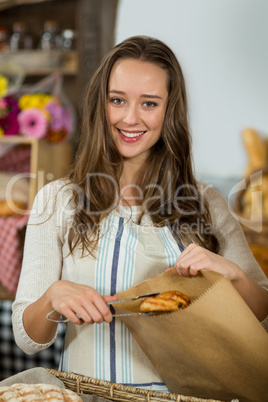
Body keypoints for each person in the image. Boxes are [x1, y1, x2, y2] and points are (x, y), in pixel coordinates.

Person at [12, 35, 268, 392]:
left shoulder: (207, 203)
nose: (130, 118)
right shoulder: (57, 201)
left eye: (149, 103)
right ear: (100, 105)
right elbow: (28, 339)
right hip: (85, 397)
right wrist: (52, 297)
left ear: (170, 111)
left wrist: (235, 277)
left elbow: (262, 316)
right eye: (118, 100)